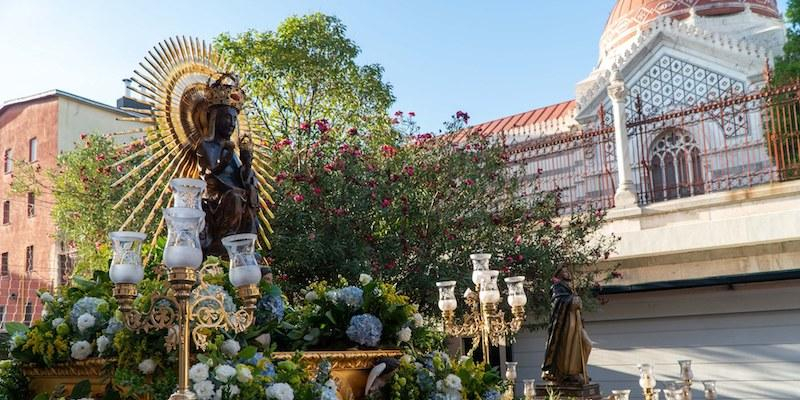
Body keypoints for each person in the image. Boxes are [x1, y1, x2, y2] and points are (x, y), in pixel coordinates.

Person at [196, 73, 259, 257]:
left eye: (234, 120)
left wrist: (246, 163)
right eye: (227, 118)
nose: (231, 124)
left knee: (249, 196)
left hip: (233, 193)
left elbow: (242, 178)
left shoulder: (232, 150)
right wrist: (227, 154)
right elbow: (209, 172)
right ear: (215, 119)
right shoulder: (206, 145)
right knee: (235, 196)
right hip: (216, 197)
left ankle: (245, 246)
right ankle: (224, 243)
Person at [541, 266, 592, 385]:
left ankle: (580, 370)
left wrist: (576, 299)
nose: (567, 273)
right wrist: (571, 300)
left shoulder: (570, 288)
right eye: (564, 271)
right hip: (565, 324)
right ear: (558, 274)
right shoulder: (557, 287)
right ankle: (569, 373)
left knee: (587, 345)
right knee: (567, 349)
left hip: (576, 323)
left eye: (568, 271)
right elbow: (557, 301)